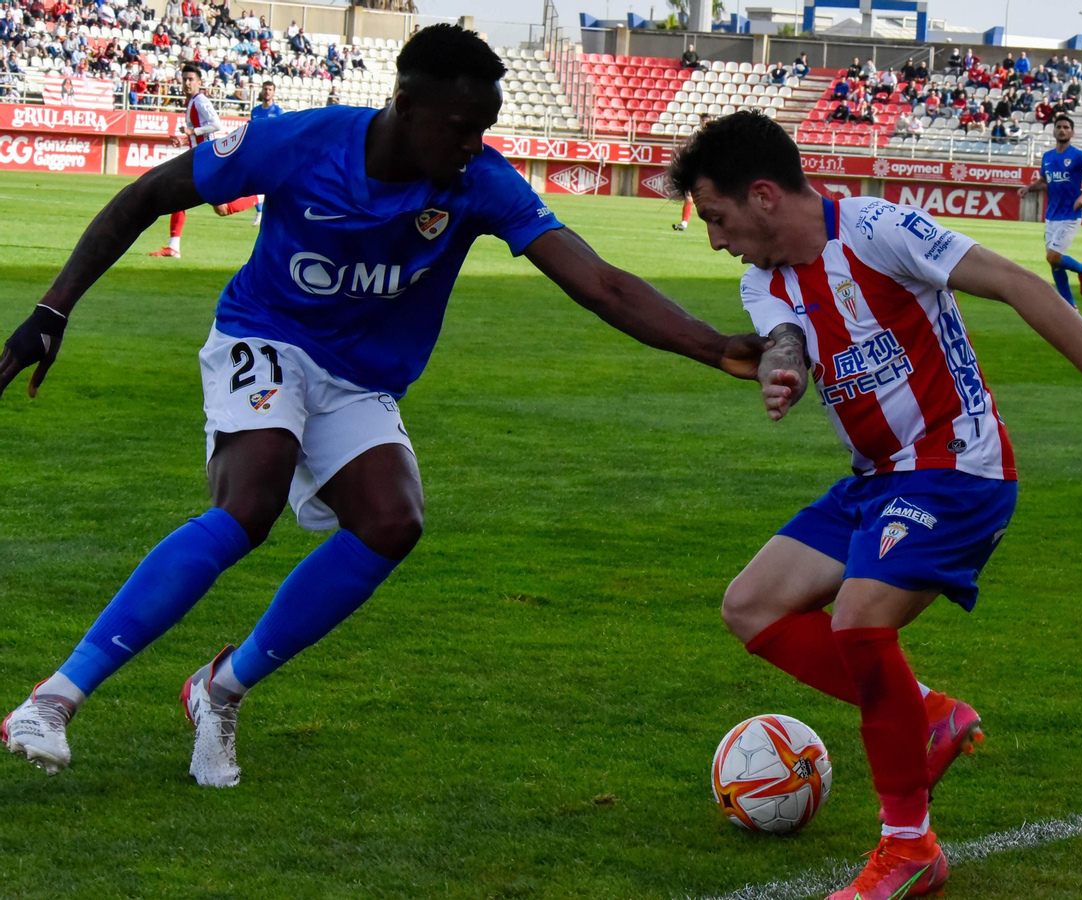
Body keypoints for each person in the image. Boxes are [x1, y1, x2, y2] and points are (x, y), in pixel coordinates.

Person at [0, 25, 765, 786]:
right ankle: (55, 698)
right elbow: (147, 194)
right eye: (463, 128)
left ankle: (219, 688)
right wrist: (52, 312)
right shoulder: (300, 143)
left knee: (393, 522)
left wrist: (713, 345)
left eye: (485, 129)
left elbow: (598, 283)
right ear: (405, 105)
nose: (476, 144)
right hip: (265, 337)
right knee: (250, 505)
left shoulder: (479, 182)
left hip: (360, 377)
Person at [668, 110, 1082, 900]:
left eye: (717, 218)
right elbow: (783, 337)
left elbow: (1018, 284)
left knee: (858, 619)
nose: (714, 238)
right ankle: (929, 714)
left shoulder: (880, 230)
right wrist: (782, 369)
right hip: (877, 478)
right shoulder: (764, 276)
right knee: (751, 605)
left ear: (764, 195)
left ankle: (910, 846)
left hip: (958, 468)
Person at [148, 65, 242, 258]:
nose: (187, 83)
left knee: (183, 196)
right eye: (184, 79)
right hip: (199, 156)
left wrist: (193, 132)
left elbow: (216, 124)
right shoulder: (191, 102)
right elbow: (197, 134)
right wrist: (183, 140)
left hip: (206, 158)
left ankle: (259, 198)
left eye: (191, 79)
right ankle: (173, 246)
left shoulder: (200, 101)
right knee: (219, 208)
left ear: (200, 82)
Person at [1017, 115, 1082, 306]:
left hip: (1070, 214)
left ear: (1072, 132)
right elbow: (1044, 181)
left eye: (1066, 127)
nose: (1062, 130)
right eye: (1059, 127)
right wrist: (1028, 189)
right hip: (1051, 215)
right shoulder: (1047, 157)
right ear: (1054, 131)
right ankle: (1070, 306)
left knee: (1053, 256)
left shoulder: (1079, 156)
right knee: (1054, 263)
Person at [247, 80, 283, 227]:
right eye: (265, 89)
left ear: (273, 92)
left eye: (270, 89)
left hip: (272, 154)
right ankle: (260, 212)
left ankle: (272, 216)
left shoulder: (278, 112)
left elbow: (282, 133)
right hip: (257, 153)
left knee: (271, 186)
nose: (267, 91)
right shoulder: (255, 111)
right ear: (262, 91)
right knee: (254, 183)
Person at [674, 113, 714, 232]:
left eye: (708, 121)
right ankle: (684, 224)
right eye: (704, 121)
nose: (705, 123)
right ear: (700, 122)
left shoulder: (714, 137)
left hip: (709, 172)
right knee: (688, 197)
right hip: (697, 171)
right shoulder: (696, 137)